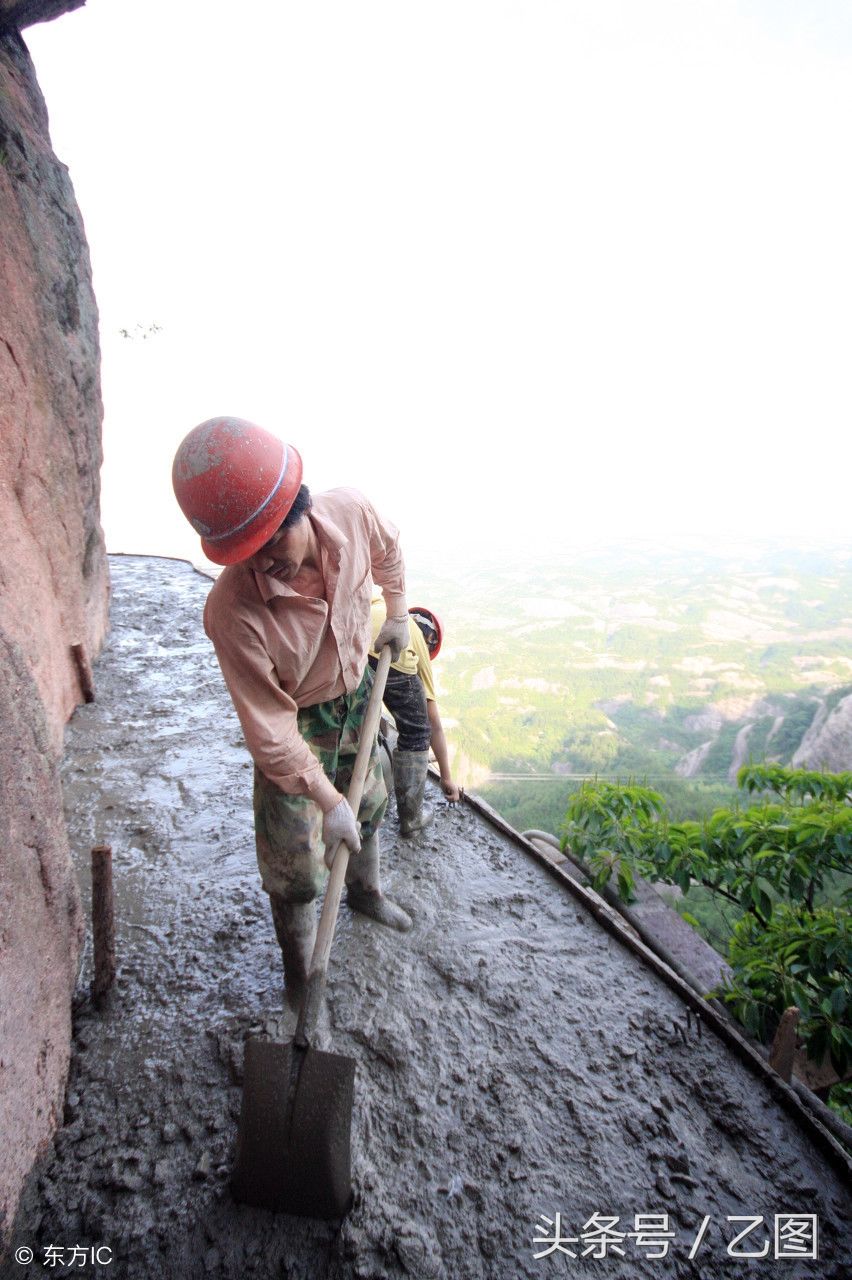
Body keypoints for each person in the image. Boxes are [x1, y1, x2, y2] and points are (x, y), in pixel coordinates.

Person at [172, 416, 412, 1011]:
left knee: (371, 801)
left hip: (358, 693)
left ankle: (365, 892)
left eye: (272, 544)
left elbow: (389, 546)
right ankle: (300, 975)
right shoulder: (232, 612)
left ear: (298, 509)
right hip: (295, 723)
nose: (263, 566)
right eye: (245, 555)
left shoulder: (352, 515)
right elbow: (271, 731)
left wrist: (399, 609)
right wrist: (325, 800)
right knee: (294, 859)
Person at [368, 595, 461, 835]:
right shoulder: (415, 638)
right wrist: (446, 777)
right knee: (417, 731)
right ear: (430, 640)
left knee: (361, 711)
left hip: (351, 643)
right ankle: (412, 818)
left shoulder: (381, 602)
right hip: (388, 654)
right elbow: (434, 725)